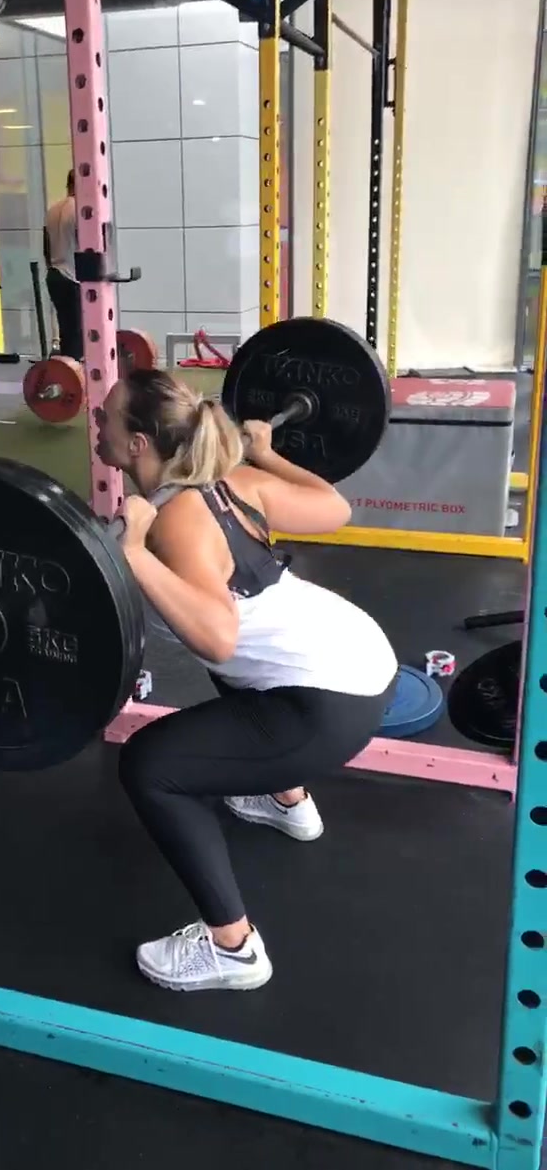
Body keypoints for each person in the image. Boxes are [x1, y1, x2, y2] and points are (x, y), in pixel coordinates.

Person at [96, 370, 398, 993]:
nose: (96, 425)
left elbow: (217, 638)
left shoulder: (175, 522)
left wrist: (135, 553)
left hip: (325, 705)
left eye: (106, 418)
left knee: (150, 766)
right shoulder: (233, 482)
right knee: (237, 673)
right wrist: (268, 455)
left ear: (138, 445)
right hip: (364, 660)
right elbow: (336, 509)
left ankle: (232, 949)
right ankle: (287, 800)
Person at [43, 170, 82, 360]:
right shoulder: (81, 211)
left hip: (54, 275)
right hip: (73, 276)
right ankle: (75, 371)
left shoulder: (52, 210)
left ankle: (66, 368)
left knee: (66, 330)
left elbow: (46, 248)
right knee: (77, 333)